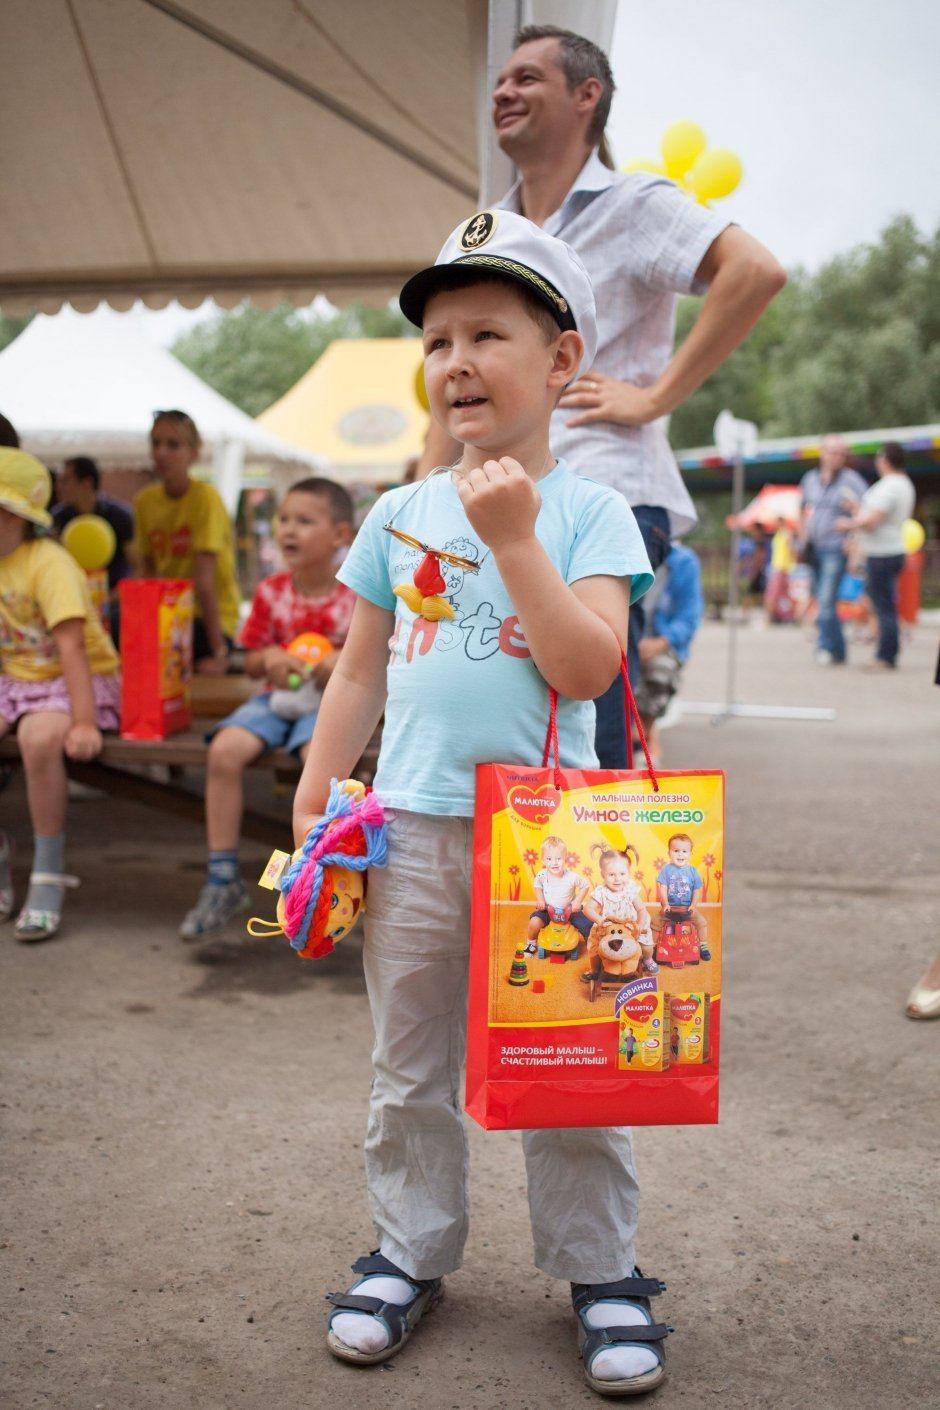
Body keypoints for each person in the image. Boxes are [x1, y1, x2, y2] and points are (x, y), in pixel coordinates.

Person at [293, 210, 667, 1398]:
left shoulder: (588, 514)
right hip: (407, 828)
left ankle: (601, 1270)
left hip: (550, 839)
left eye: (486, 333)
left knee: (570, 1066)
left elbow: (587, 671)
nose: (454, 359)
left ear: (560, 362)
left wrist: (513, 541)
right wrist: (319, 778)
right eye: (437, 339)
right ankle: (409, 1252)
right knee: (408, 1065)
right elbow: (360, 666)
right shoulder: (397, 515)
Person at [416, 23, 785, 766]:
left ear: (588, 96)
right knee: (496, 676)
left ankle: (597, 873)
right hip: (494, 487)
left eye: (527, 78)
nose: (503, 91)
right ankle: (508, 870)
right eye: (500, 81)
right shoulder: (496, 227)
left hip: (604, 485)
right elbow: (450, 372)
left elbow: (755, 271)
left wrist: (655, 398)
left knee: (586, 694)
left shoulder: (636, 201)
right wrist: (425, 484)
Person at [179, 478, 355, 941]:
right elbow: (250, 657)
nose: (288, 530)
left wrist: (342, 661)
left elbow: (376, 660)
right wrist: (270, 660)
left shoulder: (357, 593)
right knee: (224, 751)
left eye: (304, 521)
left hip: (330, 707)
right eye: (283, 520)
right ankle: (222, 878)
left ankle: (327, 884)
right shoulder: (271, 591)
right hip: (275, 701)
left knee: (316, 765)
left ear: (340, 534)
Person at [0, 448, 121, 942]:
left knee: (38, 739)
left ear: (11, 514)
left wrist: (85, 722)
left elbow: (73, 648)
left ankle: (47, 875)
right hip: (16, 677)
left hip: (73, 680)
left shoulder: (49, 562)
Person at [134, 411, 240, 673]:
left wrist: (220, 653)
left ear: (194, 452)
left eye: (173, 444)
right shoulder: (145, 501)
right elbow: (147, 574)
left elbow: (204, 583)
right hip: (169, 618)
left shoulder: (206, 499)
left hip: (209, 621)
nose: (161, 452)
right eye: (156, 443)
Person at [834, 442, 916, 671]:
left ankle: (886, 655)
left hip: (883, 552)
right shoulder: (903, 484)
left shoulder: (891, 486)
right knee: (882, 604)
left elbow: (873, 520)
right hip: (890, 549)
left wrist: (848, 523)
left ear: (886, 460)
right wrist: (857, 509)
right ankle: (886, 651)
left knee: (883, 606)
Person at [798, 434, 867, 665]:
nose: (836, 457)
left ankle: (825, 647)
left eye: (840, 453)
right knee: (821, 598)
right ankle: (838, 650)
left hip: (836, 549)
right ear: (822, 453)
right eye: (832, 451)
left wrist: (853, 537)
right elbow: (800, 508)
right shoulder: (810, 479)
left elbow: (865, 512)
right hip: (814, 548)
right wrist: (801, 535)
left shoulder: (852, 480)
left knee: (826, 600)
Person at [633, 542, 704, 762]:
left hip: (662, 642)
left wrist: (660, 642)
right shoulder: (628, 551)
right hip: (628, 637)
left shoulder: (683, 562)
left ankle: (643, 737)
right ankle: (644, 739)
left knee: (659, 671)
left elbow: (690, 617)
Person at [53, 456, 136, 592]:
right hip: (73, 595)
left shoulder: (120, 516)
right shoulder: (57, 518)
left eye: (65, 480)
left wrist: (114, 597)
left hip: (115, 598)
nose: (58, 487)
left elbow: (137, 567)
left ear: (87, 483)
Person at [581, 841, 655, 974]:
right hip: (609, 927)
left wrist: (640, 924)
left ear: (628, 873)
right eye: (611, 875)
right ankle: (594, 970)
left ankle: (648, 959)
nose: (617, 879)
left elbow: (641, 909)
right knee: (594, 946)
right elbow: (587, 909)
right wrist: (600, 921)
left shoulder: (630, 889)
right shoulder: (601, 891)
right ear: (603, 874)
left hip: (630, 925)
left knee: (647, 944)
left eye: (622, 874)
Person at [524, 834, 592, 955]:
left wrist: (577, 902)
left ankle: (592, 942)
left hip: (569, 910)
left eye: (558, 858)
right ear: (543, 860)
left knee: (588, 926)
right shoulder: (542, 875)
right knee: (534, 922)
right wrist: (540, 900)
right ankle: (531, 943)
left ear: (565, 858)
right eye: (549, 859)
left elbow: (585, 885)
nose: (554, 863)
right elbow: (538, 884)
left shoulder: (572, 876)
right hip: (548, 909)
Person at [651, 833, 711, 960]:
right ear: (669, 853)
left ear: (690, 854)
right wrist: (665, 903)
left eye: (684, 851)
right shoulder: (666, 870)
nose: (680, 854)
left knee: (701, 922)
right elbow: (663, 887)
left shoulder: (693, 871)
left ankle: (704, 945)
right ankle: (654, 946)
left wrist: (693, 906)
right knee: (656, 922)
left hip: (687, 907)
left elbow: (696, 890)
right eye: (676, 850)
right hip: (670, 907)